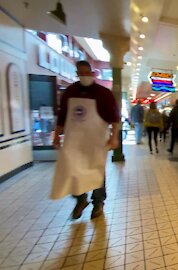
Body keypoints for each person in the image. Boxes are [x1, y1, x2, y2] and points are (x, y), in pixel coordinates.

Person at [51, 60, 120, 220]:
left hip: (96, 140)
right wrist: (56, 136)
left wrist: (114, 137)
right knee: (72, 170)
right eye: (80, 73)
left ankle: (98, 203)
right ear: (76, 74)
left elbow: (114, 118)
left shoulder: (103, 93)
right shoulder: (70, 91)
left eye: (86, 73)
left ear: (92, 73)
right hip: (74, 139)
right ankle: (81, 199)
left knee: (97, 171)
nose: (83, 76)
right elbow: (62, 117)